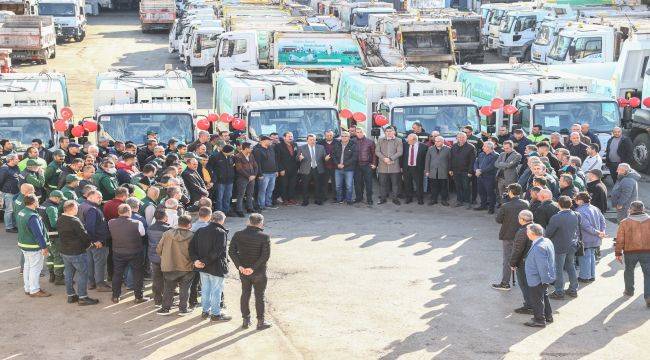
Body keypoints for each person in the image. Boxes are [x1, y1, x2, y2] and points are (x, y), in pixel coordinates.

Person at [229, 213, 272, 330]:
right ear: (260, 223)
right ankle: (260, 322)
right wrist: (252, 268)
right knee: (259, 296)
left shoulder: (238, 235)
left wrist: (240, 267)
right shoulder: (264, 237)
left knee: (245, 293)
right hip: (258, 272)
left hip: (243, 271)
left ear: (248, 222)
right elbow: (265, 256)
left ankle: (245, 320)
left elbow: (231, 252)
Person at [190, 211, 232, 321]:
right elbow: (218, 251)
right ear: (222, 220)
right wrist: (203, 261)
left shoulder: (200, 230)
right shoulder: (221, 232)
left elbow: (191, 248)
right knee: (216, 291)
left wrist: (197, 261)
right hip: (216, 267)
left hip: (202, 267)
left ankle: (205, 311)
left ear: (211, 218)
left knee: (205, 289)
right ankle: (215, 314)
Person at [57, 200, 99, 305]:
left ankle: (71, 296)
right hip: (76, 252)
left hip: (64, 251)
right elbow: (84, 235)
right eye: (76, 208)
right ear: (72, 208)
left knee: (68, 274)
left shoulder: (60, 219)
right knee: (82, 274)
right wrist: (89, 244)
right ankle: (83, 297)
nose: (78, 209)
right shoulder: (74, 220)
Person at [156, 214, 195, 315]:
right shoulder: (192, 235)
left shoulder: (167, 233)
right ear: (189, 225)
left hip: (169, 265)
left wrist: (165, 258)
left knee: (168, 288)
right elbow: (195, 252)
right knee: (185, 289)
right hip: (186, 266)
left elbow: (159, 249)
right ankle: (183, 309)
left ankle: (165, 309)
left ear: (178, 223)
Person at [493, 183, 529, 290]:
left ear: (511, 192)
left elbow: (498, 220)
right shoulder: (526, 204)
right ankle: (525, 281)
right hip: (524, 234)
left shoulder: (506, 206)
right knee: (522, 258)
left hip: (508, 236)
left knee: (508, 259)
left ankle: (505, 283)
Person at [108, 204, 146, 304]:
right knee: (137, 274)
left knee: (117, 274)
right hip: (135, 252)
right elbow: (142, 234)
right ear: (129, 212)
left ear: (118, 212)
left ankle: (115, 296)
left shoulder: (111, 222)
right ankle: (138, 297)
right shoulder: (137, 222)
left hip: (118, 252)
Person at [615, 201, 650, 307]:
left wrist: (618, 252)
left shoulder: (624, 222)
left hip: (630, 251)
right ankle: (648, 296)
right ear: (643, 209)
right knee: (648, 274)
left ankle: (629, 290)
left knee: (629, 271)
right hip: (647, 251)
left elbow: (620, 239)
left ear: (631, 209)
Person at [545, 196, 580, 299]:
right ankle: (573, 289)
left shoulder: (556, 217)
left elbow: (548, 233)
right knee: (570, 266)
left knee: (558, 269)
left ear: (559, 204)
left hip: (559, 247)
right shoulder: (576, 214)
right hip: (572, 245)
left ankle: (559, 291)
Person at [17, 194, 51, 297]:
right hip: (33, 247)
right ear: (33, 202)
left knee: (27, 267)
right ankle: (34, 290)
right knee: (35, 269)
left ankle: (28, 288)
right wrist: (44, 247)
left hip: (24, 245)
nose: (38, 202)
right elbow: (38, 234)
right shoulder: (32, 216)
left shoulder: (22, 212)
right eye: (37, 200)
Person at [78, 189, 111, 292]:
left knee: (90, 262)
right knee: (99, 263)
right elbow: (90, 227)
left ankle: (91, 283)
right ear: (90, 197)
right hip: (97, 242)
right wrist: (95, 240)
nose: (101, 199)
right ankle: (100, 284)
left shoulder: (82, 206)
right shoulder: (92, 209)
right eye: (98, 197)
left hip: (88, 242)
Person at [524, 223, 556, 327]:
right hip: (542, 278)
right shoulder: (546, 241)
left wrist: (544, 280)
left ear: (532, 234)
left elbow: (543, 266)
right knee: (544, 297)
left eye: (528, 232)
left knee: (537, 299)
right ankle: (548, 316)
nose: (527, 234)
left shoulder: (539, 247)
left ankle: (539, 320)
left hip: (538, 279)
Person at [575, 192, 606, 283]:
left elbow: (586, 226)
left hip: (586, 239)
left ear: (580, 200)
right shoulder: (595, 208)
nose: (575, 201)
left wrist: (598, 232)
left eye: (576, 199)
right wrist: (602, 232)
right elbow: (602, 220)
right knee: (592, 256)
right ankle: (592, 275)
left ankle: (585, 277)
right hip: (596, 239)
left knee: (584, 258)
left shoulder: (579, 211)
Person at [510, 210, 534, 314]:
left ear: (522, 219)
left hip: (524, 262)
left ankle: (529, 306)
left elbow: (517, 249)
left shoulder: (522, 232)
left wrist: (512, 263)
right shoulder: (538, 227)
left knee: (524, 284)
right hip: (534, 261)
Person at [38, 190, 65, 285]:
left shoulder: (42, 205)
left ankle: (52, 275)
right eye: (60, 199)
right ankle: (59, 278)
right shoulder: (52, 208)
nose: (60, 202)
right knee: (58, 256)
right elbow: (54, 224)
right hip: (54, 235)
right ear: (56, 198)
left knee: (49, 256)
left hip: (45, 235)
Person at [147, 209, 170, 306]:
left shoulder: (150, 228)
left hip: (153, 256)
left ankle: (157, 300)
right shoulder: (168, 229)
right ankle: (166, 300)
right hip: (165, 257)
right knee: (167, 279)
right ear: (164, 217)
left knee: (156, 279)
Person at [375, 126, 403, 205]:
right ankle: (383, 198)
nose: (388, 133)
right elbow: (377, 151)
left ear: (394, 132)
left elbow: (400, 152)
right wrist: (384, 159)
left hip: (394, 166)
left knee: (395, 184)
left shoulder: (399, 140)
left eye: (390, 131)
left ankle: (395, 198)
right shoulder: (380, 140)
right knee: (382, 184)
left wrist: (390, 159)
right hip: (383, 166)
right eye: (387, 131)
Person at [297, 134, 326, 206]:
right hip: (306, 169)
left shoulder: (321, 147)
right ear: (307, 140)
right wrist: (299, 158)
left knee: (318, 185)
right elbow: (297, 158)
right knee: (305, 186)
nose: (312, 141)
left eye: (314, 139)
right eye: (310, 139)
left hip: (317, 169)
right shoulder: (301, 148)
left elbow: (324, 157)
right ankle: (305, 201)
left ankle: (318, 200)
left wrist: (326, 158)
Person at [450, 132, 476, 209]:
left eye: (463, 137)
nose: (461, 139)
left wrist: (470, 171)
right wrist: (450, 169)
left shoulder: (471, 147)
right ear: (457, 138)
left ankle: (468, 202)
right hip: (455, 170)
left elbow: (472, 161)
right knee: (458, 186)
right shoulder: (454, 146)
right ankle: (459, 201)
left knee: (466, 187)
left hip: (466, 171)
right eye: (459, 137)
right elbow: (451, 159)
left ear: (466, 138)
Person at [253, 136, 279, 210]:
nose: (271, 141)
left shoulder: (271, 148)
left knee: (270, 189)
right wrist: (260, 174)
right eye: (269, 140)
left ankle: (268, 203)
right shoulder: (257, 150)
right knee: (262, 190)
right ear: (263, 141)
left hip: (273, 173)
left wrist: (276, 170)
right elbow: (257, 163)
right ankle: (261, 205)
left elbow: (275, 160)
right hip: (264, 174)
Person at [209, 144, 236, 214]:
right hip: (220, 181)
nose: (233, 153)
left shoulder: (231, 157)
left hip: (230, 181)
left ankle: (226, 211)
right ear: (227, 151)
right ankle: (219, 212)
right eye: (232, 151)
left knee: (228, 197)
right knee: (219, 197)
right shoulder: (215, 156)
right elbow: (210, 168)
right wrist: (215, 177)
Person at [332, 131, 357, 205]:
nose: (344, 137)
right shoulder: (337, 144)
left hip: (349, 169)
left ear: (349, 137)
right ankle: (339, 199)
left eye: (346, 136)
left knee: (349, 186)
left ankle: (348, 200)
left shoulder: (353, 145)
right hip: (338, 168)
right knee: (338, 185)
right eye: (342, 136)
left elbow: (354, 158)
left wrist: (344, 164)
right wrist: (337, 164)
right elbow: (333, 155)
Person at [234, 142, 258, 217]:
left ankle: (249, 207)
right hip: (242, 178)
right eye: (251, 148)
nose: (252, 149)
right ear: (246, 148)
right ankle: (239, 210)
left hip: (252, 177)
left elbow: (255, 166)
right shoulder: (238, 156)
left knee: (250, 193)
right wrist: (248, 176)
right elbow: (239, 169)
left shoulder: (251, 155)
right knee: (241, 194)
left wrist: (254, 175)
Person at [474, 141, 499, 214]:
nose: (482, 148)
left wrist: (480, 171)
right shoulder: (481, 154)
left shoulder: (495, 155)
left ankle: (491, 208)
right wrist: (476, 170)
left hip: (489, 177)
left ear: (489, 147)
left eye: (484, 146)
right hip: (480, 176)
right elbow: (476, 162)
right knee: (481, 192)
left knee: (490, 193)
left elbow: (492, 166)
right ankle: (483, 205)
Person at [275, 132, 299, 206]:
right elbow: (277, 159)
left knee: (292, 184)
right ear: (284, 137)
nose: (291, 138)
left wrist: (298, 166)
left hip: (294, 169)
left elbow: (296, 156)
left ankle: (291, 198)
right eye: (289, 136)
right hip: (284, 169)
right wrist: (280, 169)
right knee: (284, 185)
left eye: (291, 136)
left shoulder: (295, 145)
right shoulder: (278, 146)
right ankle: (284, 199)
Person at [354, 128, 376, 205]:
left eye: (360, 132)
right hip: (356, 165)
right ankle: (358, 198)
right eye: (357, 132)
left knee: (368, 183)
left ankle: (369, 199)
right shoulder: (353, 141)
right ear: (355, 133)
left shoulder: (370, 142)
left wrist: (374, 164)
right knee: (357, 183)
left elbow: (374, 154)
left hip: (367, 165)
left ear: (363, 133)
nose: (359, 133)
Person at [421, 135, 446, 206]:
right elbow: (427, 160)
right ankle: (434, 199)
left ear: (442, 142)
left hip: (443, 171)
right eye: (435, 141)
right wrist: (427, 171)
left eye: (438, 141)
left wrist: (450, 170)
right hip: (433, 171)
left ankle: (444, 200)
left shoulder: (448, 149)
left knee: (444, 187)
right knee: (433, 187)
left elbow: (450, 160)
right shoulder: (430, 149)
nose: (436, 143)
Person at [0, 153, 20, 232]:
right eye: (16, 159)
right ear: (11, 160)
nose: (18, 160)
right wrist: (2, 191)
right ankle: (9, 227)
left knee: (14, 210)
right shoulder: (4, 168)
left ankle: (13, 225)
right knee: (9, 210)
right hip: (8, 193)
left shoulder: (16, 167)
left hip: (16, 192)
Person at [319, 130, 338, 200]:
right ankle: (324, 197)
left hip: (335, 166)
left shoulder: (337, 142)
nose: (329, 137)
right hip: (324, 166)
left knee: (335, 182)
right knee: (324, 183)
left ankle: (335, 197)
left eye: (330, 135)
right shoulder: (320, 143)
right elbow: (317, 153)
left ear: (333, 135)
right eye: (327, 135)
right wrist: (324, 158)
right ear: (325, 135)